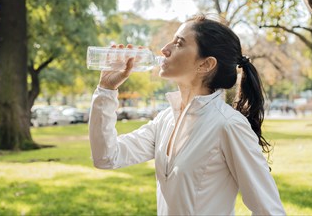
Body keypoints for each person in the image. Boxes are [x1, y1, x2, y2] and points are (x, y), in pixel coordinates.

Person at [88, 13, 286, 215]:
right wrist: (106, 90)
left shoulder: (228, 125)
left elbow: (269, 210)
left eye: (179, 43)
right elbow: (106, 157)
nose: (165, 50)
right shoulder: (165, 120)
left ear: (205, 64)